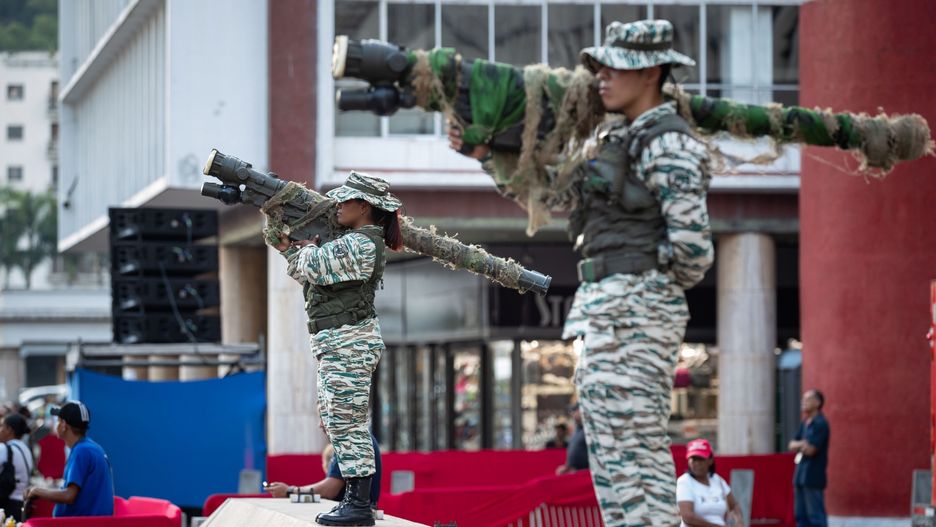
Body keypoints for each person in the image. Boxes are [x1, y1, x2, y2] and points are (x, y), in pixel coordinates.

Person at [449, 19, 713, 527]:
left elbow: (693, 251)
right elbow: (553, 195)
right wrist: (487, 154)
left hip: (637, 307)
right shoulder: (610, 140)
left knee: (634, 448)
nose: (601, 78)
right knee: (610, 453)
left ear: (652, 72)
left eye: (615, 68)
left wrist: (641, 282)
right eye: (599, 68)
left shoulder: (669, 143)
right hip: (604, 306)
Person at [271, 171, 402, 527]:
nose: (339, 206)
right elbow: (306, 270)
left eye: (346, 201)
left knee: (348, 424)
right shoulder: (350, 241)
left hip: (350, 342)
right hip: (335, 341)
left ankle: (358, 504)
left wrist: (304, 249)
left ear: (364, 207)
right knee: (334, 420)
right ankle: (354, 500)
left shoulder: (362, 243)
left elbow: (313, 265)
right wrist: (288, 246)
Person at [25, 401, 114, 518]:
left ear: (63, 425)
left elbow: (69, 496)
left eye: (58, 421)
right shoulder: (90, 447)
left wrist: (37, 491)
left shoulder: (82, 451)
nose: (56, 424)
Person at [266, 433, 382, 507]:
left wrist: (289, 491)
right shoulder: (360, 438)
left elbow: (329, 490)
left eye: (323, 416)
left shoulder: (349, 440)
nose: (320, 425)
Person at [676, 439, 744, 527]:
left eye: (700, 459)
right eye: (693, 459)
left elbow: (734, 506)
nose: (696, 463)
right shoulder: (684, 481)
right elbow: (688, 517)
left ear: (710, 460)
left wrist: (739, 521)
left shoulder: (718, 480)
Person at [788, 389, 829, 527]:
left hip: (813, 477)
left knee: (816, 517)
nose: (803, 402)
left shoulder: (821, 424)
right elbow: (791, 444)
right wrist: (802, 444)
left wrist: (802, 445)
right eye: (803, 399)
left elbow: (811, 450)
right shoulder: (805, 423)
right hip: (800, 476)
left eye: (808, 399)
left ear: (817, 403)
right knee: (801, 517)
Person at [0, 413, 34, 522]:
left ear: (9, 429)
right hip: (23, 504)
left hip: (8, 505)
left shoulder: (4, 449)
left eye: (2, 426)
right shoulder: (26, 449)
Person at [555, 403, 589, 475]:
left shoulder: (588, 429)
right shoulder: (577, 429)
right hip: (574, 472)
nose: (572, 413)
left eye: (575, 410)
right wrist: (567, 466)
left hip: (584, 473)